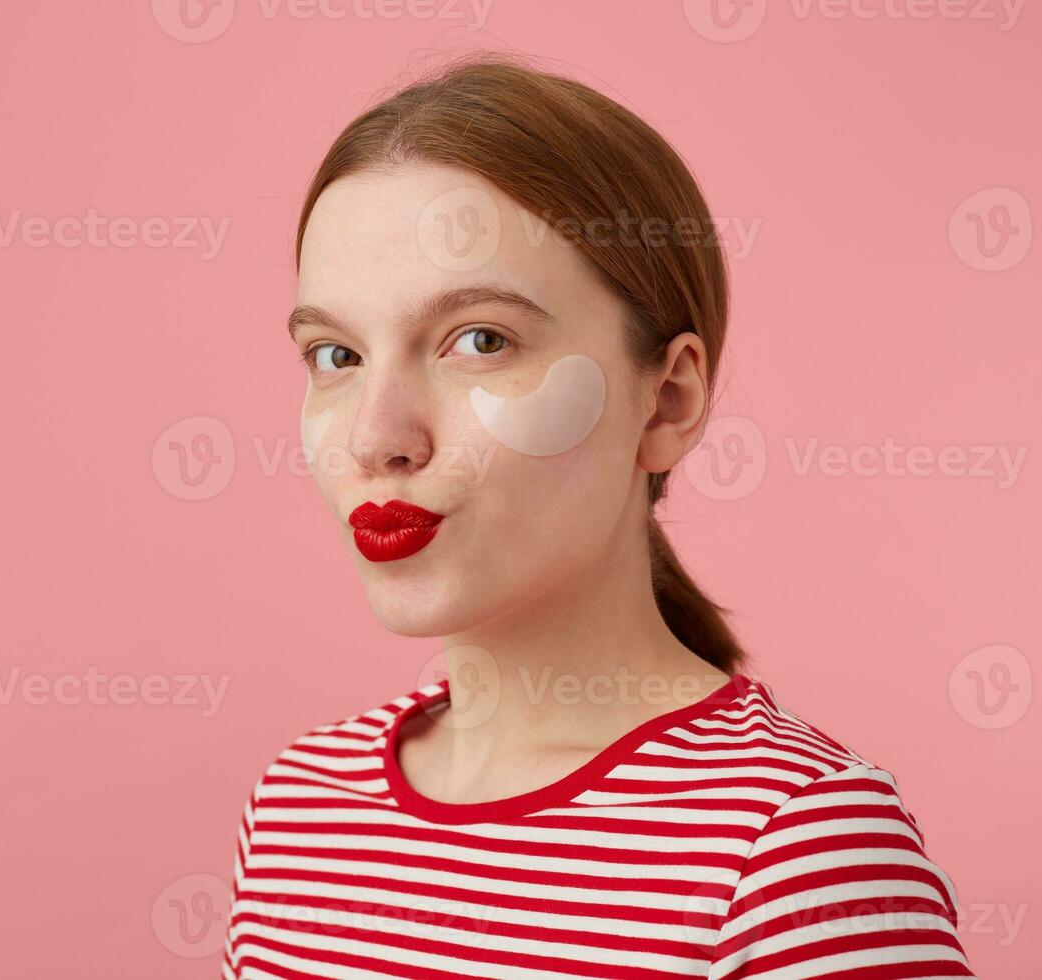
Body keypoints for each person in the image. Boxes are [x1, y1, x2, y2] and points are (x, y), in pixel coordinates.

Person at [223, 52, 974, 979]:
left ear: (665, 402)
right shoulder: (298, 811)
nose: (377, 438)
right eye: (334, 356)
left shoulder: (796, 852)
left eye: (480, 340)